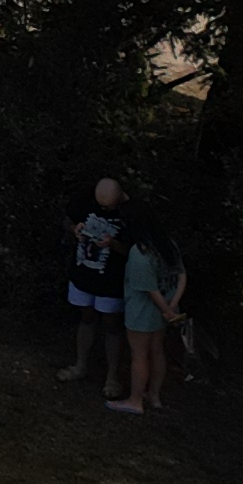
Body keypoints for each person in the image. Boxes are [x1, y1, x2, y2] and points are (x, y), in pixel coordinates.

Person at [59, 176, 129, 393]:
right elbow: (66, 220)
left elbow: (135, 251)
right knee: (86, 318)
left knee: (112, 326)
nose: (101, 208)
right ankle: (80, 366)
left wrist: (113, 244)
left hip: (111, 282)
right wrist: (74, 229)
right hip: (84, 274)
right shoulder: (85, 198)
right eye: (99, 204)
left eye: (106, 206)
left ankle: (112, 378)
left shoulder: (130, 212)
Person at [113, 222, 186, 415]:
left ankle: (135, 400)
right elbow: (181, 276)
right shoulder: (168, 244)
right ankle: (154, 396)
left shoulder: (140, 252)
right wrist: (172, 307)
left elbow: (149, 289)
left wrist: (166, 310)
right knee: (157, 351)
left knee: (139, 355)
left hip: (143, 311)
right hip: (166, 307)